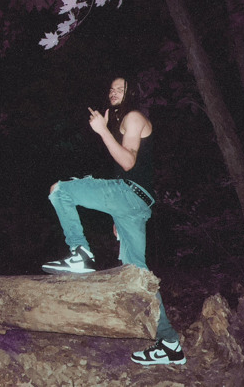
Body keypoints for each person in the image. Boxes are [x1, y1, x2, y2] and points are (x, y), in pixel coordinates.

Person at [42, 76, 186, 366]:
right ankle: (170, 343)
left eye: (121, 89)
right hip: (136, 203)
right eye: (111, 89)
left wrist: (102, 131)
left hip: (130, 194)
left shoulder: (133, 117)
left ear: (133, 93)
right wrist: (118, 214)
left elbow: (128, 162)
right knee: (137, 274)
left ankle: (80, 253)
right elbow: (132, 168)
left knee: (60, 190)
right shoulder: (128, 123)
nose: (114, 92)